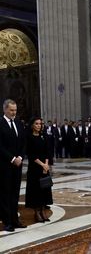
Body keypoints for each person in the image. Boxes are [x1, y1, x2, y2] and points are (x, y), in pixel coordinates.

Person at [0, 99, 26, 232]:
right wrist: (12, 158)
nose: (14, 112)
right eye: (11, 110)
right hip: (5, 165)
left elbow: (23, 142)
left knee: (15, 193)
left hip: (18, 165)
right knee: (5, 194)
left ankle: (15, 220)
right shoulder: (0, 123)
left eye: (15, 110)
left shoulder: (18, 123)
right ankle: (7, 222)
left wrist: (20, 157)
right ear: (5, 109)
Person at [25, 117, 53, 223]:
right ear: (32, 125)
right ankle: (37, 212)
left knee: (44, 189)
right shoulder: (29, 137)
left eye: (40, 124)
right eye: (36, 124)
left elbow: (47, 152)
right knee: (36, 190)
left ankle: (42, 210)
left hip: (44, 167)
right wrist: (42, 165)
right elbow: (31, 155)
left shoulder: (43, 136)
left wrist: (46, 164)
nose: (39, 125)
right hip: (35, 167)